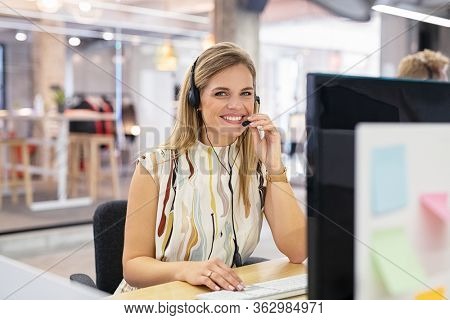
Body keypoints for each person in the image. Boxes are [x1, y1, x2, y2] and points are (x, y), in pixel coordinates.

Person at [115, 42, 307, 294]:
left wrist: (274, 166)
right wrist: (185, 270)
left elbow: (297, 250)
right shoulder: (155, 167)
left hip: (219, 300)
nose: (237, 106)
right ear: (196, 100)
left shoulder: (257, 168)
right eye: (221, 93)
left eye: (246, 93)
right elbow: (133, 267)